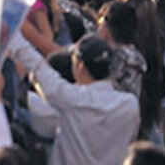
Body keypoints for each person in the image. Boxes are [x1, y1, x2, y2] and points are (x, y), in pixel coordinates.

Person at [9, 33, 140, 164]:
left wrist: (9, 31)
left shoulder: (71, 99)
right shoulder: (130, 105)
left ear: (80, 66)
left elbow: (37, 65)